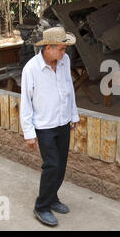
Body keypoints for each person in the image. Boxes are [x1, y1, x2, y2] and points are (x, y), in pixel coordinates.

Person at [20, 26, 79, 226]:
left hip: (63, 121)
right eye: (61, 49)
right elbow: (26, 102)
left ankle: (53, 198)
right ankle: (41, 206)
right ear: (48, 48)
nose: (64, 53)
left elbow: (69, 88)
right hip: (44, 126)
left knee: (61, 166)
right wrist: (29, 133)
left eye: (65, 49)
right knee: (51, 165)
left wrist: (73, 114)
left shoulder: (64, 61)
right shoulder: (31, 69)